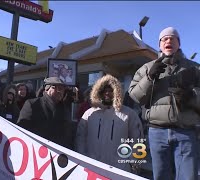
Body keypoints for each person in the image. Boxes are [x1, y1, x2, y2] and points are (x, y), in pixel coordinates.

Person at [128, 27, 200, 180]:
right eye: (164, 38)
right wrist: (149, 77)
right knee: (161, 176)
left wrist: (192, 96)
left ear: (179, 44)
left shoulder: (195, 68)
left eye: (173, 38)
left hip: (186, 133)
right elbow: (134, 96)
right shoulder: (146, 68)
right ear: (160, 44)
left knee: (189, 177)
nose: (168, 41)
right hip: (156, 133)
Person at [76, 74, 143, 173]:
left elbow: (137, 140)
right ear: (99, 92)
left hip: (119, 169)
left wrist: (132, 162)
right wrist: (83, 158)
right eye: (104, 90)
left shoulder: (128, 114)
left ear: (117, 92)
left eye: (111, 90)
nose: (107, 93)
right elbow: (80, 138)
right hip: (93, 167)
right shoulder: (90, 114)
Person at [17, 77, 73, 149]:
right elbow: (22, 130)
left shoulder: (65, 109)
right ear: (47, 89)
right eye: (57, 88)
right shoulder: (33, 104)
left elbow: (68, 134)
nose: (60, 91)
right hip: (36, 151)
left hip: (59, 154)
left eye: (62, 89)